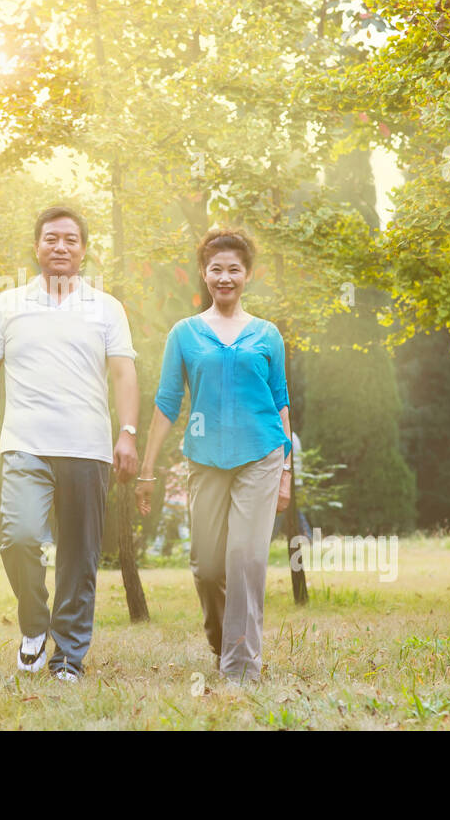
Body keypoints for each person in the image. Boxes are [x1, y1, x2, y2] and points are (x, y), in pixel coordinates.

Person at [0, 206, 139, 683]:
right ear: (36, 247)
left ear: (83, 249)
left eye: (70, 239)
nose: (60, 247)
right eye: (50, 239)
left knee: (79, 558)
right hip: (25, 444)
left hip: (88, 448)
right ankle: (34, 625)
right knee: (19, 537)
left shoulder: (107, 308)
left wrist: (128, 431)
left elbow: (124, 372)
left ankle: (68, 658)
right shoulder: (7, 304)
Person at [135, 228, 292, 683]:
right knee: (206, 567)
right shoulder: (184, 334)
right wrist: (147, 468)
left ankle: (241, 667)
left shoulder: (267, 334)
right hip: (205, 459)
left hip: (261, 454)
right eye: (216, 269)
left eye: (234, 269)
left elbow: (281, 399)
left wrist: (285, 470)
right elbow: (167, 402)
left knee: (246, 558)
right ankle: (223, 643)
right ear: (204, 274)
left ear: (247, 275)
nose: (225, 277)